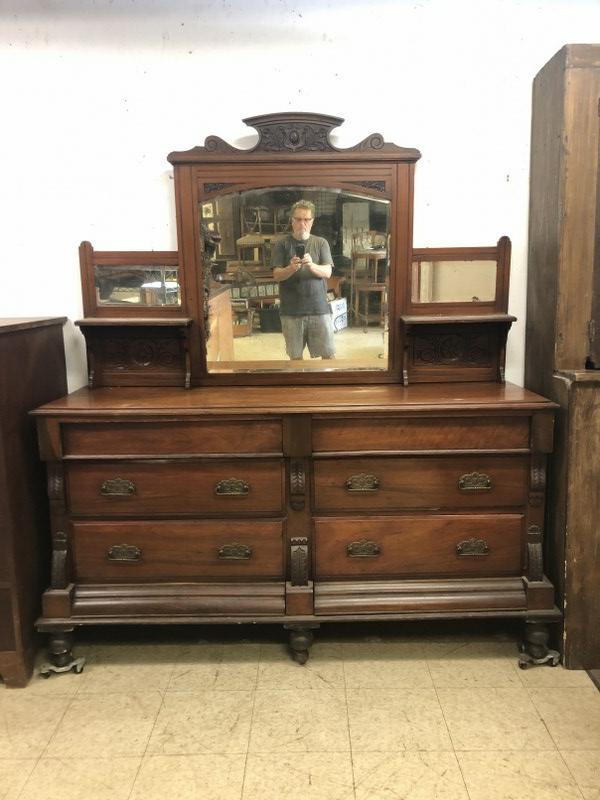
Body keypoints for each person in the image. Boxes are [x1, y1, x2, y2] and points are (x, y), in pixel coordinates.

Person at [271, 200, 335, 360]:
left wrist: (312, 265)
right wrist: (291, 268)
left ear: (312, 222)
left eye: (306, 219)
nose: (302, 223)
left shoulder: (321, 243)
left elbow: (327, 272)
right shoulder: (281, 244)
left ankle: (328, 386)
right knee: (295, 359)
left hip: (319, 309)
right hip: (291, 312)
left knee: (328, 355)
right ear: (292, 220)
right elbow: (276, 275)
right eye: (298, 219)